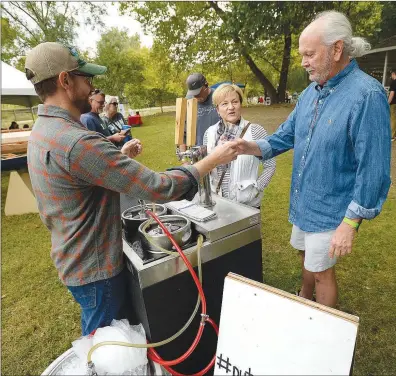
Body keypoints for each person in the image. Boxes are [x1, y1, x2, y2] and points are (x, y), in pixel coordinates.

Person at [25, 42, 239, 335]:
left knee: (101, 338)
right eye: (86, 78)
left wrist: (117, 159)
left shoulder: (42, 131)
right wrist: (211, 160)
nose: (91, 87)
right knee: (109, 347)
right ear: (65, 80)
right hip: (96, 270)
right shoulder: (77, 142)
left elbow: (75, 177)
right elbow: (158, 187)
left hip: (73, 259)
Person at [235, 11, 391, 308]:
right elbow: (285, 136)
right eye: (301, 55)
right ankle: (304, 299)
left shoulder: (367, 95)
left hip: (333, 209)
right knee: (305, 256)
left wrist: (350, 223)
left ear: (337, 49)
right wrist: (247, 147)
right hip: (304, 202)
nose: (303, 62)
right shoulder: (310, 93)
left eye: (309, 54)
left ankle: (323, 328)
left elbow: (374, 170)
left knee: (322, 273)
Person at [203, 84, 276, 208]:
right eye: (224, 104)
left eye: (235, 102)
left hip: (247, 203)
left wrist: (257, 189)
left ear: (240, 104)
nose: (231, 107)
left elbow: (270, 165)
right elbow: (205, 165)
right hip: (217, 201)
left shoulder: (255, 131)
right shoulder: (209, 133)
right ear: (217, 109)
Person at [179, 73, 220, 153]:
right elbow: (182, 132)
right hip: (197, 153)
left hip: (218, 151)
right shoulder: (189, 102)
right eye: (193, 94)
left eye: (198, 93)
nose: (196, 97)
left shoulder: (218, 97)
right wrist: (184, 159)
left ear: (206, 85)